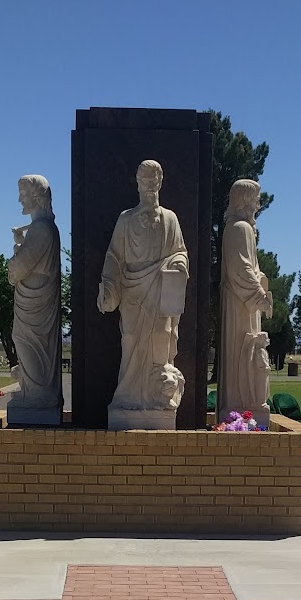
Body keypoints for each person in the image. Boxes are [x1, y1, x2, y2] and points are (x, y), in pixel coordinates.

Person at [98, 160, 188, 428]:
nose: (149, 185)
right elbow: (114, 257)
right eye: (145, 180)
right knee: (131, 341)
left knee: (161, 339)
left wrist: (176, 264)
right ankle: (128, 396)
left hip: (160, 292)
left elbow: (180, 252)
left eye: (154, 180)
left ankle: (158, 397)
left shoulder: (170, 219)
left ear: (160, 182)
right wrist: (109, 287)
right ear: (137, 183)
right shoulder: (125, 219)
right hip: (133, 293)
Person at [5, 174, 62, 424]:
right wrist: (20, 246)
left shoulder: (40, 229)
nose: (19, 199)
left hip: (35, 304)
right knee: (27, 340)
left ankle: (38, 394)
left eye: (23, 194)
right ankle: (33, 390)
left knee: (27, 340)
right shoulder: (43, 228)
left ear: (37, 196)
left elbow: (17, 271)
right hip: (34, 298)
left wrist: (14, 257)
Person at [217, 179, 273, 426]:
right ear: (244, 200)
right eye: (255, 199)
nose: (258, 205)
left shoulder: (238, 228)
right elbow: (240, 268)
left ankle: (245, 406)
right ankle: (240, 408)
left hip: (244, 302)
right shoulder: (239, 228)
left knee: (249, 349)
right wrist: (259, 296)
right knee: (244, 349)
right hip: (242, 304)